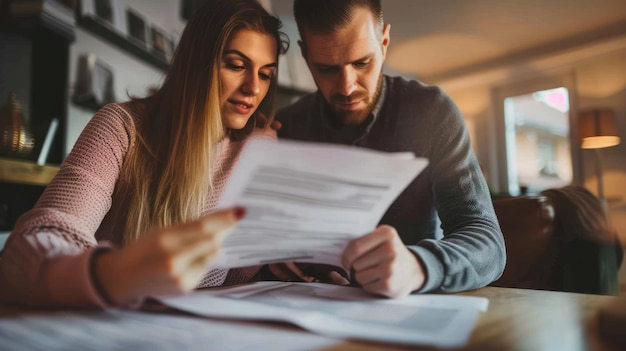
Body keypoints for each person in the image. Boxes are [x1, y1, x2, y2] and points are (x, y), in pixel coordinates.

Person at [0, 0, 289, 308]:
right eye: (236, 65)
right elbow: (33, 244)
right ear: (197, 63)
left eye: (265, 74)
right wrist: (115, 275)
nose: (253, 88)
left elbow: (239, 276)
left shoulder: (256, 150)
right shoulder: (121, 128)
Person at [269, 0, 506, 298]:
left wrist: (419, 265)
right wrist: (273, 253)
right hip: (307, 305)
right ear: (304, 54)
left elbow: (487, 243)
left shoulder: (431, 111)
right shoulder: (287, 126)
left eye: (361, 63)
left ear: (383, 43)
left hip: (409, 307)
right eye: (327, 68)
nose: (346, 87)